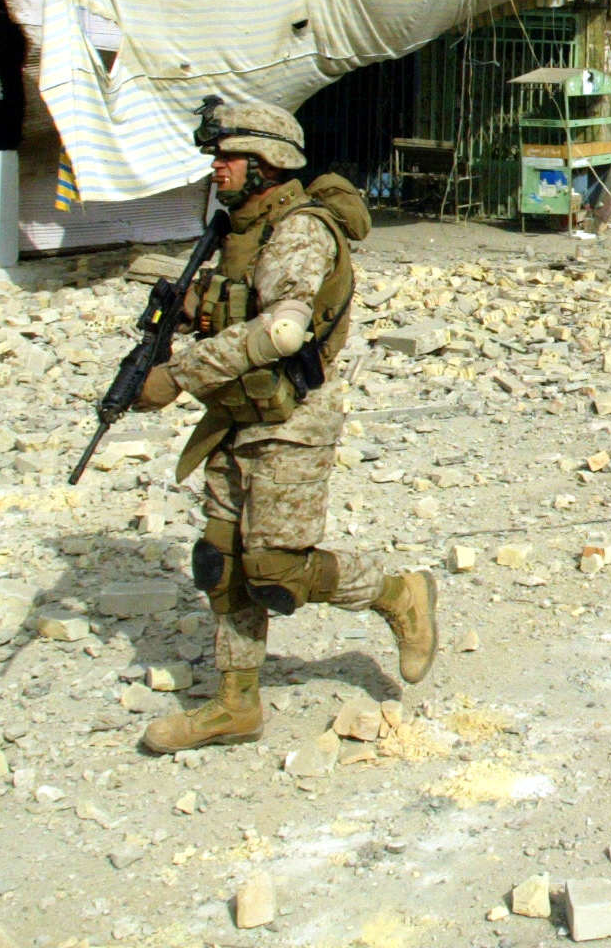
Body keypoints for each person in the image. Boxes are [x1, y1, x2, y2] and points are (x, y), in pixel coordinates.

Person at [132, 99, 438, 753]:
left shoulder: (300, 232)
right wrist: (182, 311)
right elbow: (236, 305)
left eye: (229, 158)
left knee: (276, 568)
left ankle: (398, 594)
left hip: (291, 420)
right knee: (223, 563)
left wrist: (177, 376)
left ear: (266, 164)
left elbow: (282, 330)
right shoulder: (242, 230)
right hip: (236, 415)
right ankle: (235, 704)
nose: (216, 169)